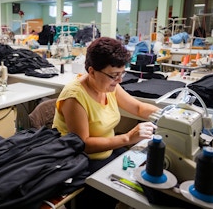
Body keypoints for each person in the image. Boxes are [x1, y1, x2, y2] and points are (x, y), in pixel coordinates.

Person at [52, 37, 160, 208]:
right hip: (81, 160)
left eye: (122, 74)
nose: (119, 80)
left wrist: (167, 115)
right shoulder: (74, 97)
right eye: (114, 75)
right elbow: (84, 144)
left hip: (108, 150)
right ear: (92, 71)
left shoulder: (109, 85)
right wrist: (127, 138)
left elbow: (138, 108)